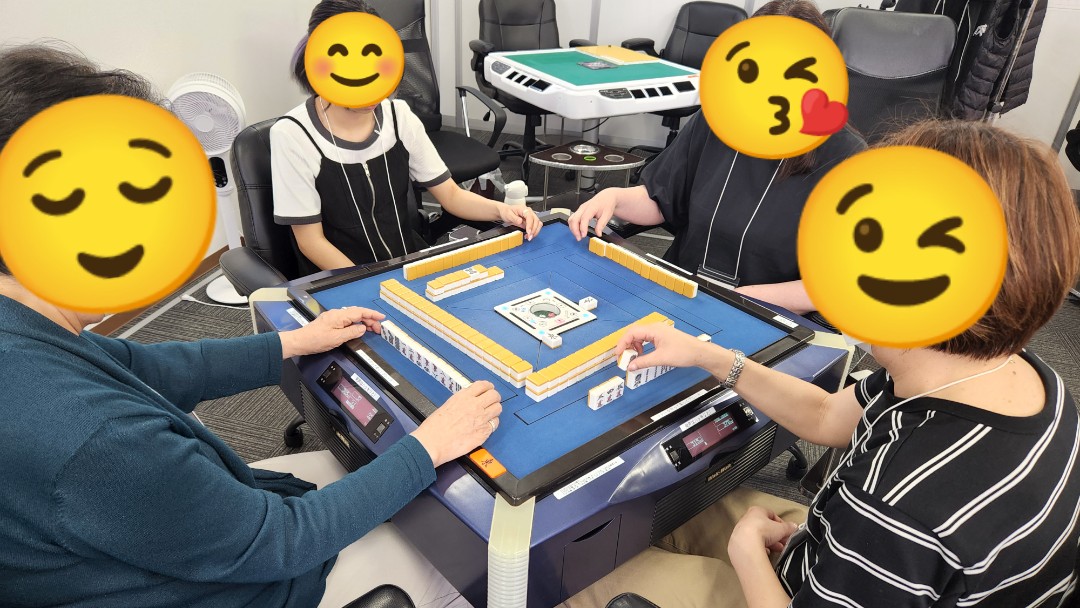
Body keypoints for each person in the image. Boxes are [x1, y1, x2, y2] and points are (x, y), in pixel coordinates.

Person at [0, 44, 497, 607]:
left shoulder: (29, 333)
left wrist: (294, 341)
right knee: (470, 552)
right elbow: (281, 541)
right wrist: (428, 446)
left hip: (177, 533)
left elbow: (141, 365)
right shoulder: (95, 440)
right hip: (246, 581)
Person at [563, 119, 1080, 607]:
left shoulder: (897, 507)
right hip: (829, 552)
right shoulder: (1006, 372)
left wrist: (748, 553)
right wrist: (709, 356)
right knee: (652, 512)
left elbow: (888, 531)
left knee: (571, 576)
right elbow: (826, 415)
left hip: (806, 577)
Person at [568, 0, 865, 315]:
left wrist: (739, 300)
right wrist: (615, 197)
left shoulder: (845, 157)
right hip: (681, 293)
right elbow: (662, 199)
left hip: (762, 315)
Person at [272, 0, 541, 275]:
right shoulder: (293, 134)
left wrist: (503, 211)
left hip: (405, 266)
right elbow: (311, 242)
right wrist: (368, 283)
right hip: (341, 280)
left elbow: (450, 195)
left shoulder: (398, 116)